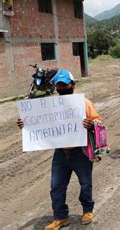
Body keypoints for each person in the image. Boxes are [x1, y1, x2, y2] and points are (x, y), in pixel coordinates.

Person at [17, 69, 100, 229]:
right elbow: (38, 122)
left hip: (80, 152)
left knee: (85, 183)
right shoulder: (49, 106)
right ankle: (60, 216)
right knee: (56, 185)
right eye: (58, 86)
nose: (61, 88)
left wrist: (91, 125)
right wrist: (25, 124)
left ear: (73, 85)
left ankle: (87, 210)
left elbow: (98, 122)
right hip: (60, 153)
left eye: (64, 85)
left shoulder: (84, 103)